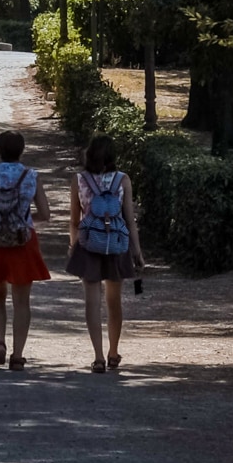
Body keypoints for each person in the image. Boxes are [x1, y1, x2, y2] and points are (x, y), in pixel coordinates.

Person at [0, 130, 51, 369]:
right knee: (21, 300)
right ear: (22, 150)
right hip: (23, 241)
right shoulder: (31, 176)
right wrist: (25, 219)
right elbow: (46, 214)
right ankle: (17, 355)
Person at [66, 134, 144, 372]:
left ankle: (98, 356)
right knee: (114, 301)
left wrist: (73, 246)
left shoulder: (79, 180)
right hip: (116, 245)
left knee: (92, 302)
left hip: (89, 244)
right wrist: (137, 252)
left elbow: (74, 220)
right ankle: (113, 351)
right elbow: (129, 220)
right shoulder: (122, 180)